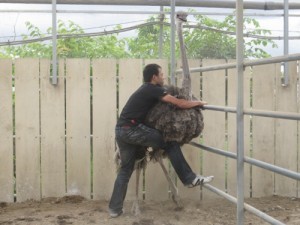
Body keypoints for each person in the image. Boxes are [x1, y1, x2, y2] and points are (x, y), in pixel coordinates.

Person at [108, 63, 214, 218]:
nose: (164, 77)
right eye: (162, 74)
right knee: (169, 141)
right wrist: (199, 103)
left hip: (121, 130)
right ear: (154, 77)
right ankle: (189, 178)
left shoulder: (144, 89)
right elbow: (178, 103)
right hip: (131, 130)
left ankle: (114, 209)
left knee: (125, 170)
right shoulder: (153, 89)